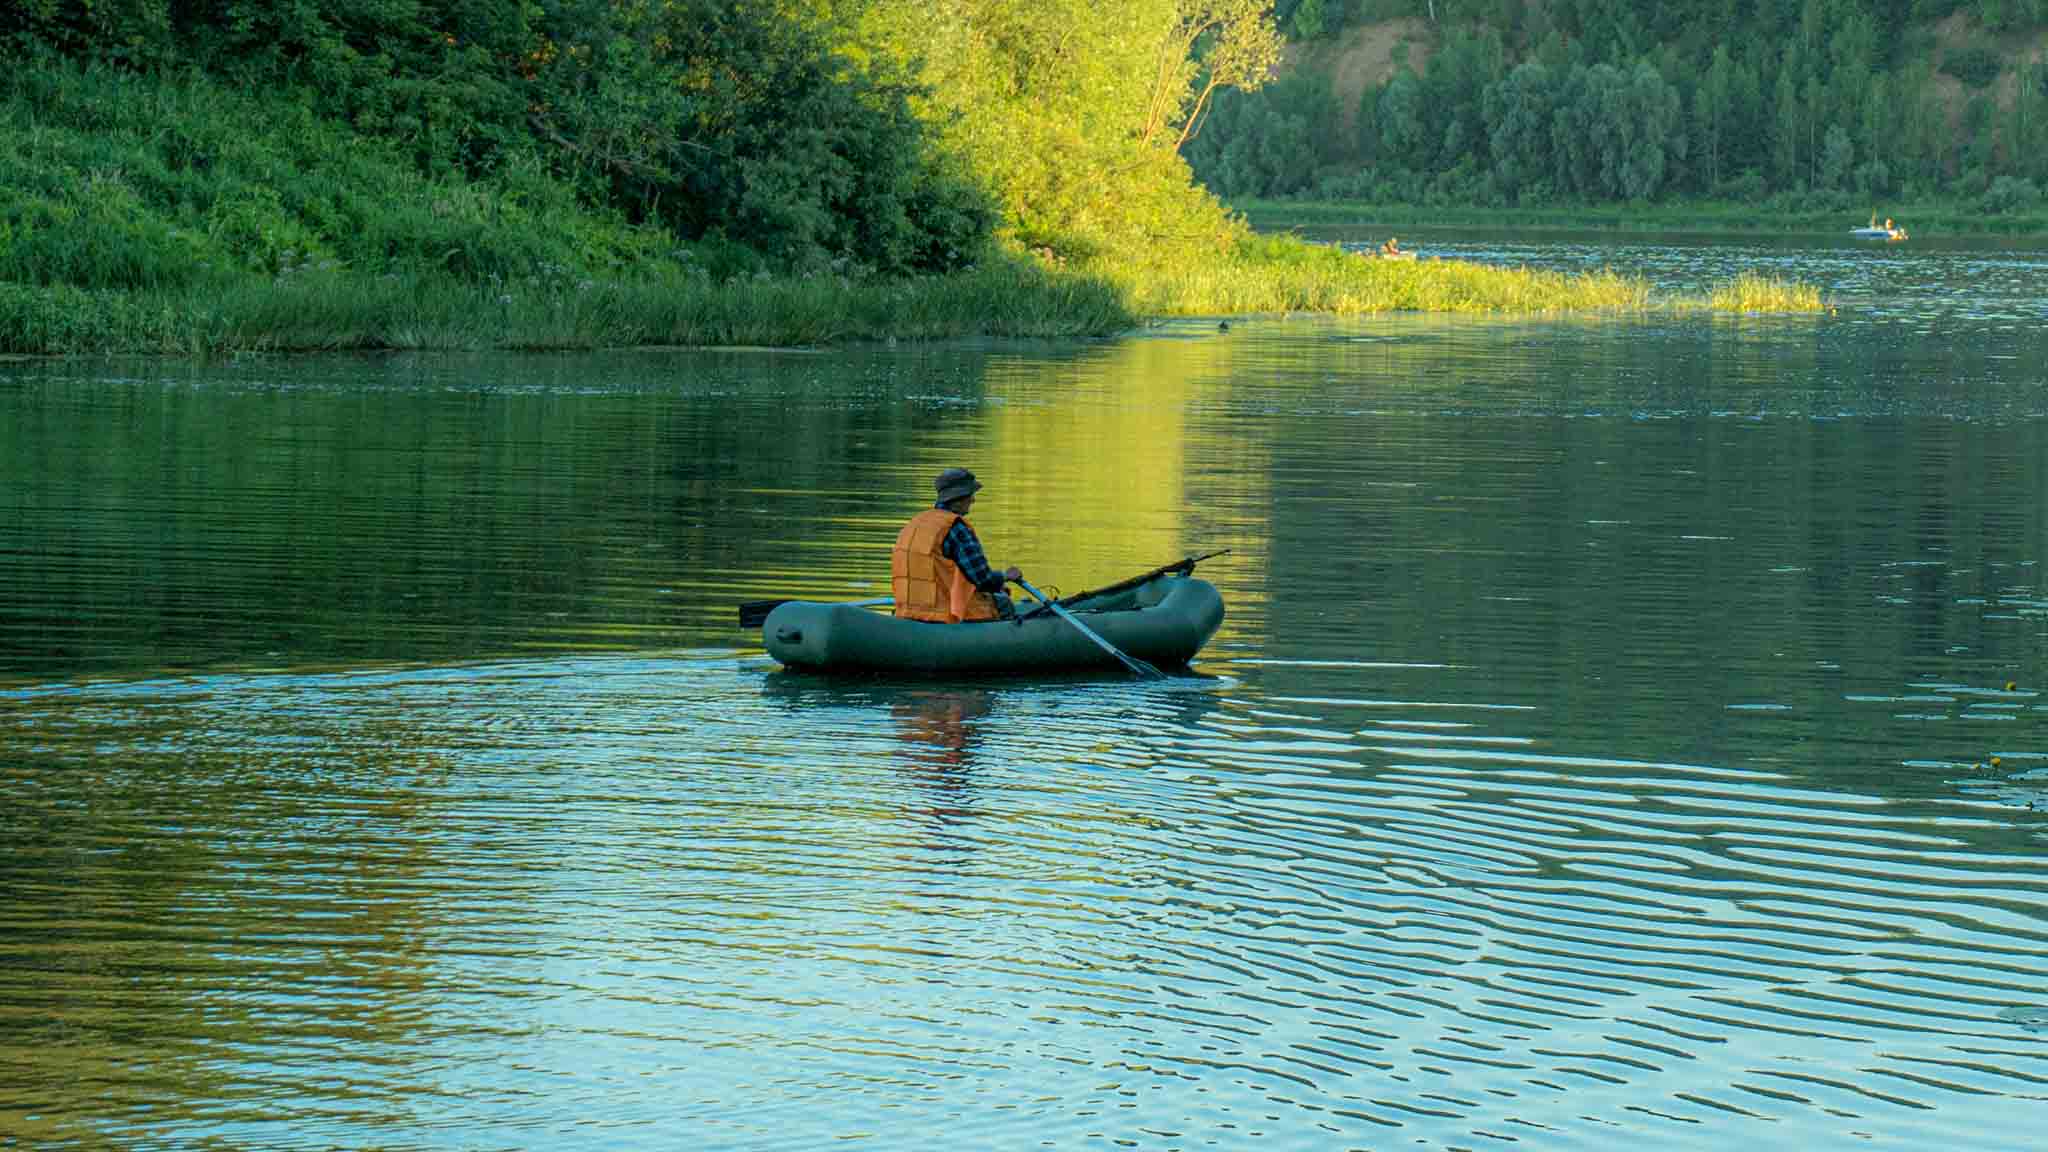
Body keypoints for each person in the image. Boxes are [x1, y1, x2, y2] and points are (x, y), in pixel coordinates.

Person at [891, 467, 1023, 623]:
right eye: (971, 495)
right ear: (959, 498)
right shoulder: (956, 528)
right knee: (1004, 602)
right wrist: (1005, 576)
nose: (973, 500)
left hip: (908, 611)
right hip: (945, 615)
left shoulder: (916, 523)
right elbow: (983, 580)